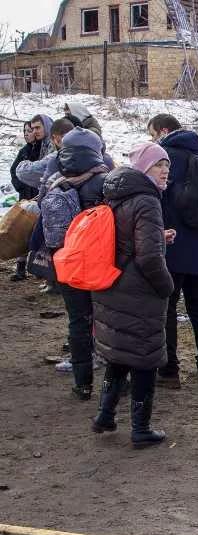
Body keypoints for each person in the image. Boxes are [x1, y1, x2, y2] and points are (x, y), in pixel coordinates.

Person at [91, 143, 175, 448]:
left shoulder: (116, 194)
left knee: (119, 353)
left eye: (167, 165)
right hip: (139, 292)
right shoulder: (147, 201)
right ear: (142, 169)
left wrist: (158, 237)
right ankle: (141, 428)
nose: (165, 170)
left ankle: (105, 415)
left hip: (113, 286)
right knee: (144, 358)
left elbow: (124, 240)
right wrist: (166, 286)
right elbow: (150, 259)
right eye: (158, 165)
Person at [40, 127, 112, 399]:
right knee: (108, 320)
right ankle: (117, 381)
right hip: (101, 263)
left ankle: (82, 384)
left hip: (68, 264)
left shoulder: (56, 182)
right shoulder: (105, 183)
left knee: (78, 322)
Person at [148, 114, 198, 388]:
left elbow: (157, 198)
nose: (153, 140)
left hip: (173, 244)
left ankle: (169, 371)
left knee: (167, 306)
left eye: (153, 134)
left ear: (164, 131)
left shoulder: (165, 157)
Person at [9, 114, 56, 282]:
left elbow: (45, 170)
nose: (31, 133)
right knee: (30, 234)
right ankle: (32, 270)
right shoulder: (32, 148)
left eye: (36, 128)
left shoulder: (50, 146)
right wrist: (22, 188)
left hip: (46, 197)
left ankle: (47, 276)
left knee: (43, 237)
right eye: (29, 130)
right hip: (31, 195)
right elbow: (15, 171)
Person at [8, 120, 39, 282]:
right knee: (22, 231)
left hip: (39, 196)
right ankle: (20, 268)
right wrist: (21, 186)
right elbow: (14, 171)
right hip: (26, 197)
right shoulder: (24, 151)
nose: (27, 133)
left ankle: (40, 268)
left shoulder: (43, 149)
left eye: (30, 130)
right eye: (25, 131)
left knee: (36, 232)